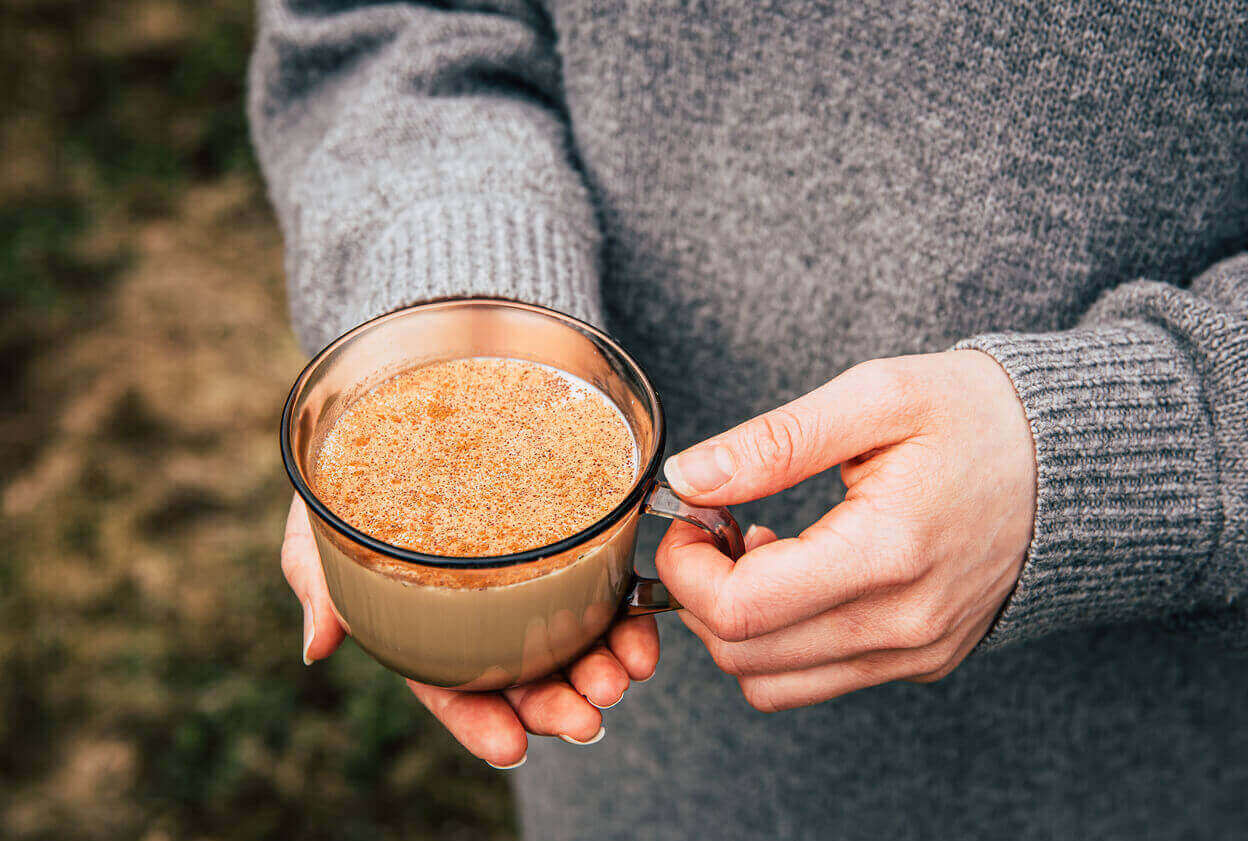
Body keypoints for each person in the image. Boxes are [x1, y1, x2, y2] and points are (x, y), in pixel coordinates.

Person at [249, 0, 1248, 837]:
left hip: (1146, 746)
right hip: (644, 740)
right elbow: (391, 20)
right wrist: (466, 310)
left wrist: (1129, 447)